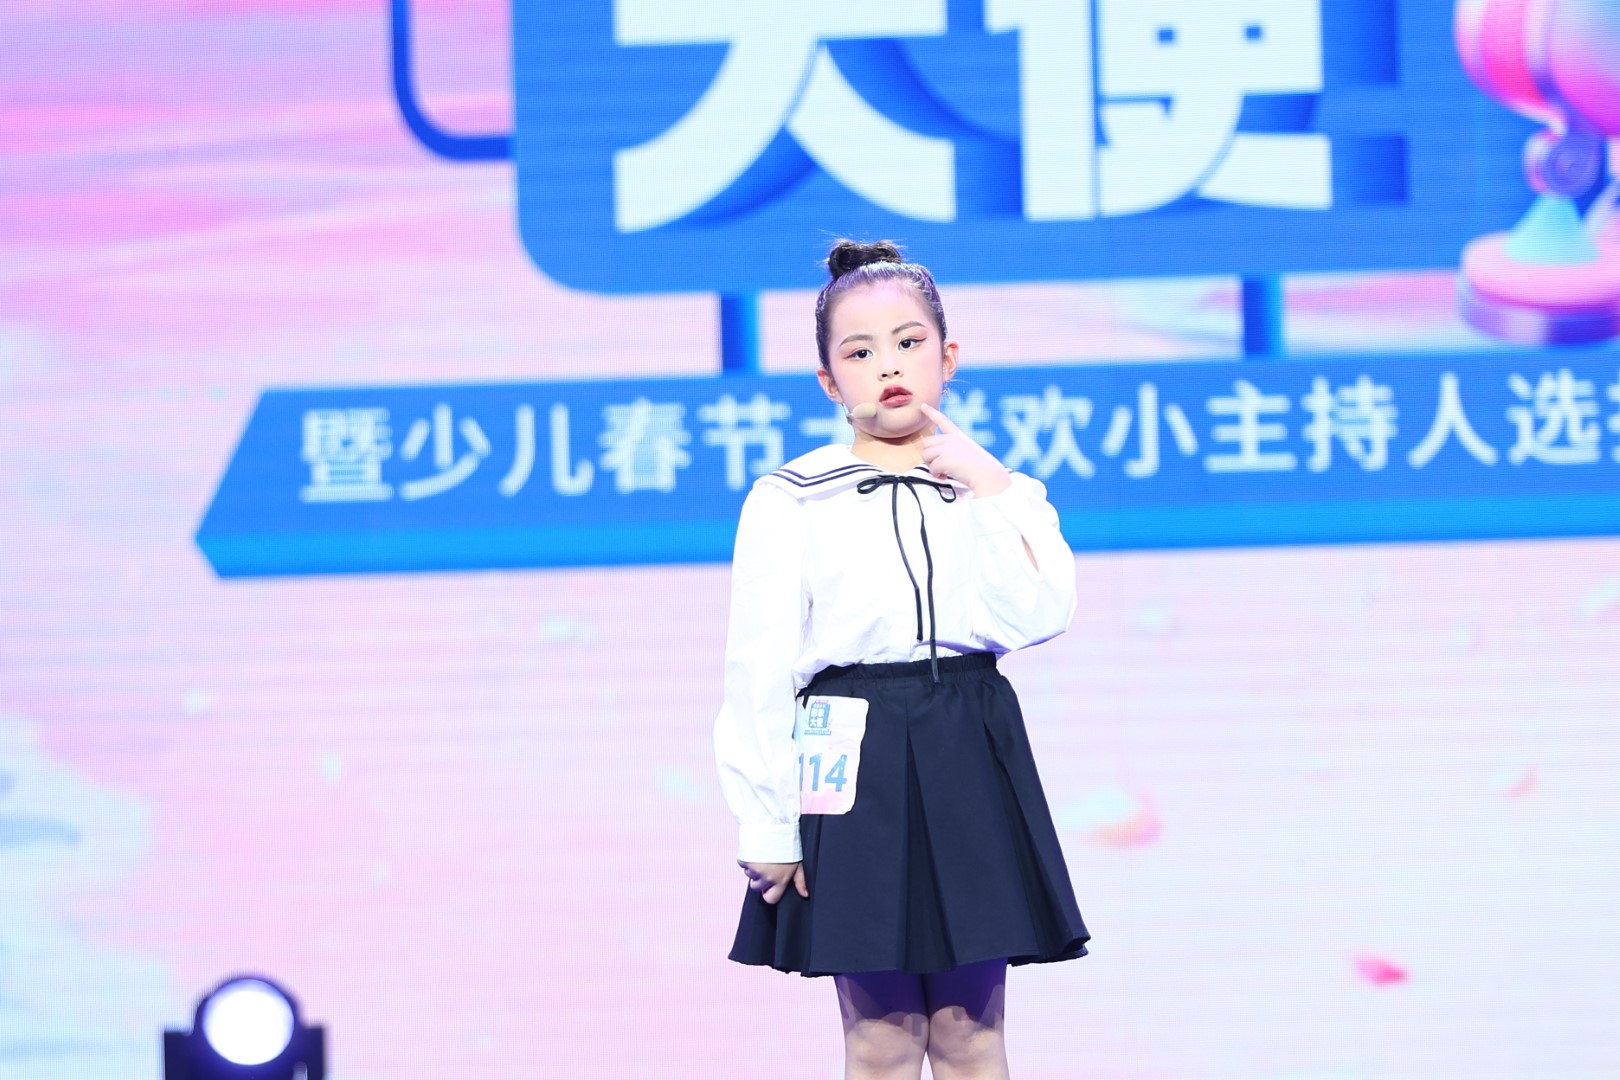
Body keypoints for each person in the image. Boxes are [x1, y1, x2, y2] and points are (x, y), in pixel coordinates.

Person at [714, 240, 1089, 1080]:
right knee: (880, 1040)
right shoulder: (790, 497)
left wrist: (991, 489)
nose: (888, 365)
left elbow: (1041, 613)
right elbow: (759, 665)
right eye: (859, 352)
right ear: (828, 381)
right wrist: (768, 822)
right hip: (850, 750)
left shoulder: (991, 488)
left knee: (969, 1034)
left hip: (968, 739)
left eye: (909, 342)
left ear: (947, 358)